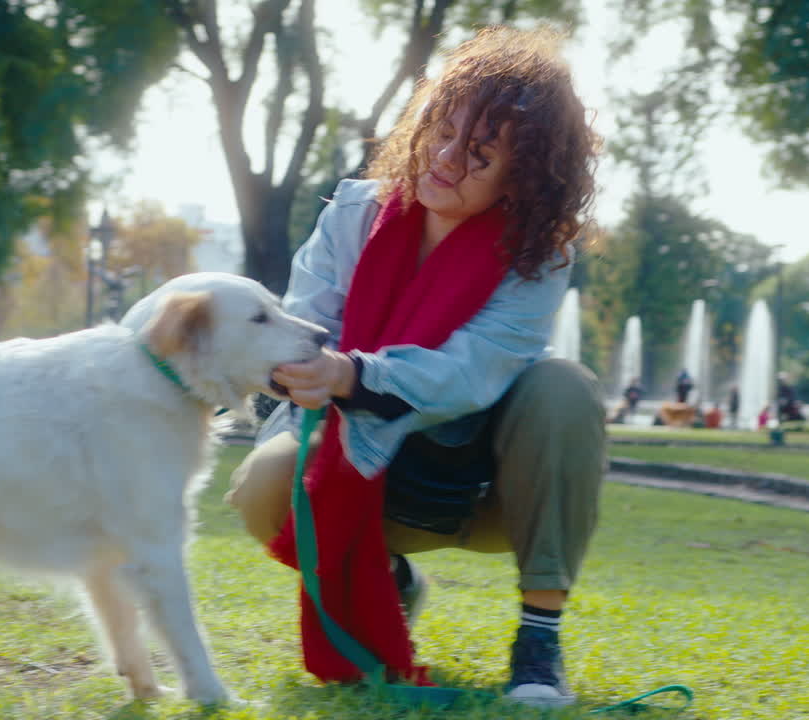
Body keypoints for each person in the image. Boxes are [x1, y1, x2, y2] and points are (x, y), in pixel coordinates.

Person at [224, 27, 603, 708]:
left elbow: (472, 370)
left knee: (563, 387)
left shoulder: (540, 256)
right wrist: (296, 370)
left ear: (523, 178)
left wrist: (352, 374)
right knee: (262, 484)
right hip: (362, 461)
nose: (446, 159)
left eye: (480, 155)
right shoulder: (353, 211)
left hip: (484, 487)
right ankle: (390, 581)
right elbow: (303, 322)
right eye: (442, 130)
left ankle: (539, 640)